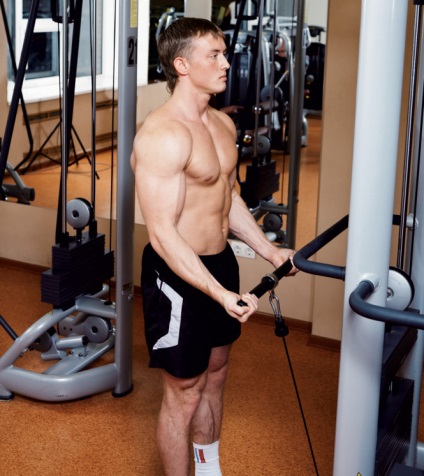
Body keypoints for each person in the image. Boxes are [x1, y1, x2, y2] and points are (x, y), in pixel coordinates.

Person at [131, 17, 298, 476]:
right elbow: (163, 234)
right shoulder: (163, 135)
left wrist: (269, 252)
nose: (226, 63)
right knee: (184, 391)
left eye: (224, 53)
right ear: (182, 65)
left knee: (216, 375)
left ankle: (209, 471)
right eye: (215, 55)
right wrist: (219, 294)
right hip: (176, 276)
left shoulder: (221, 124)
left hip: (220, 263)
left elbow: (229, 200)